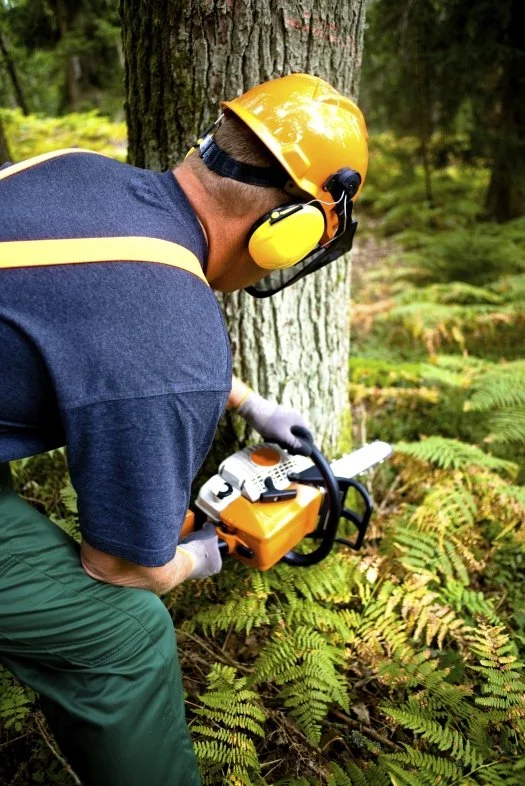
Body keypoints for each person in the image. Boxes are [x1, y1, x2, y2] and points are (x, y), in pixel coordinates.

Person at [0, 73, 368, 785]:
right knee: (125, 632)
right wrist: (202, 556)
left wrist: (242, 401)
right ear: (286, 231)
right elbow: (121, 567)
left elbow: (84, 308)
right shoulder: (175, 333)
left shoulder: (76, 170)